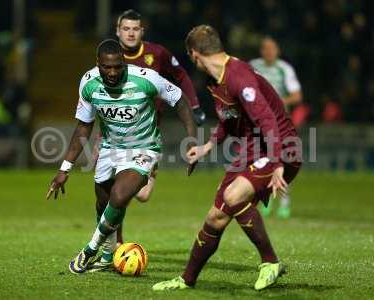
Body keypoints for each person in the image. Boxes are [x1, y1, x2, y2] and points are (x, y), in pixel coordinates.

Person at [152, 25, 302, 291]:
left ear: (194, 54)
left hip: (280, 146)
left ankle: (271, 262)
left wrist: (278, 163)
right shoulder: (215, 80)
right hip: (252, 149)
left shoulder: (239, 77)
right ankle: (187, 280)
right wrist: (208, 145)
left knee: (233, 197)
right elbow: (228, 119)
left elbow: (268, 121)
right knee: (215, 218)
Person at [46, 39, 197, 274]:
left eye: (118, 66)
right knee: (103, 203)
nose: (113, 72)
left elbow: (180, 100)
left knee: (119, 196)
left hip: (144, 148)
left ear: (124, 62)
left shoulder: (146, 78)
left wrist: (192, 141)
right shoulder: (88, 83)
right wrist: (64, 169)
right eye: (108, 67)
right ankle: (107, 256)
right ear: (98, 64)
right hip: (110, 149)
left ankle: (89, 250)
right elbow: (83, 127)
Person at [96, 9, 205, 245]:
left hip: (147, 135)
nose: (131, 33)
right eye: (126, 28)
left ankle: (144, 175)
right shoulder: (109, 58)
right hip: (114, 135)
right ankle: (117, 244)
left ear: (142, 31)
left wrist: (194, 106)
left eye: (135, 29)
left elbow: (181, 76)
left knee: (142, 195)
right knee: (116, 193)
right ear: (117, 31)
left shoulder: (157, 54)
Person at [250, 36, 303, 219]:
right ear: (261, 51)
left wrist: (278, 102)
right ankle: (266, 199)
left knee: (284, 159)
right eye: (265, 48)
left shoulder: (284, 69)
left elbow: (297, 96)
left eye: (272, 48)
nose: (269, 51)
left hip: (280, 122)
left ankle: (284, 203)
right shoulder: (254, 66)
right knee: (263, 160)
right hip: (260, 122)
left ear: (277, 50)